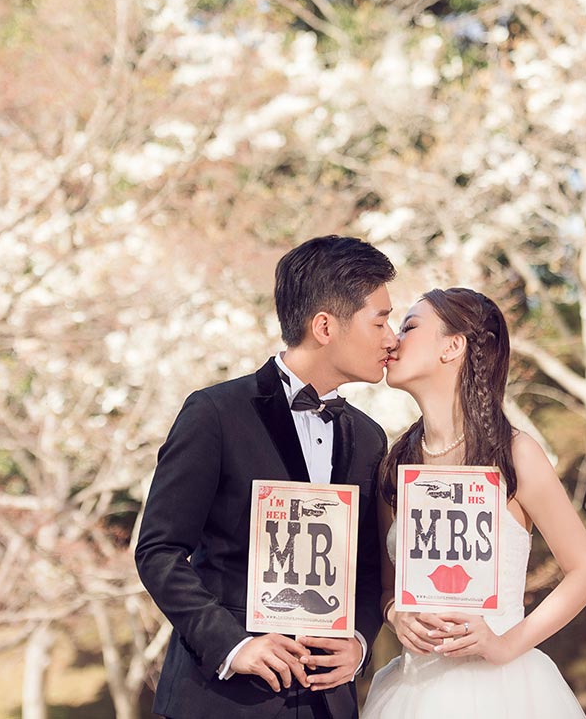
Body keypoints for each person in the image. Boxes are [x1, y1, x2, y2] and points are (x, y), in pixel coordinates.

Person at [135, 236, 398, 719]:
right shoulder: (214, 413)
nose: (391, 338)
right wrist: (232, 645)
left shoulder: (368, 437)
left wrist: (359, 642)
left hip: (326, 703)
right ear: (324, 326)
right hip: (221, 701)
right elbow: (159, 550)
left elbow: (366, 567)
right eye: (380, 321)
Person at [362, 288, 586, 718]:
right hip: (412, 691)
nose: (393, 340)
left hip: (504, 691)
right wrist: (396, 613)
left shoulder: (515, 453)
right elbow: (387, 587)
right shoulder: (395, 464)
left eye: (410, 326)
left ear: (453, 346)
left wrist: (506, 644)